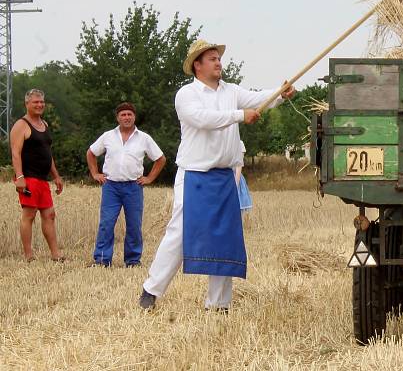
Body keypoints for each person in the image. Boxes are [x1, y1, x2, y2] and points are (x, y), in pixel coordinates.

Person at [139, 39, 295, 311]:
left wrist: (281, 93)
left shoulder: (231, 91)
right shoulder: (186, 95)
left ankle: (219, 304)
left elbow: (259, 99)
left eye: (218, 58)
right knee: (179, 233)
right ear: (197, 65)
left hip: (223, 176)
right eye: (211, 58)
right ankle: (151, 290)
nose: (218, 62)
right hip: (194, 175)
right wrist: (239, 115)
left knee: (224, 237)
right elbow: (203, 119)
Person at [86, 102, 166, 267]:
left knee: (134, 226)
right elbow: (91, 153)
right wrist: (95, 173)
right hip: (111, 187)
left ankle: (132, 260)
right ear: (118, 117)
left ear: (134, 117)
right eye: (123, 114)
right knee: (106, 223)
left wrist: (149, 178)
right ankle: (101, 259)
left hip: (133, 187)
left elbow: (160, 159)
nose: (127, 117)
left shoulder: (144, 138)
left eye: (130, 114)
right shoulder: (108, 136)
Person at [9, 89, 65, 262]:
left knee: (49, 215)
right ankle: (28, 256)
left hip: (43, 179)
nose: (40, 105)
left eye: (42, 102)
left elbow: (48, 153)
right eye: (35, 102)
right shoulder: (21, 125)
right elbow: (16, 153)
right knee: (29, 215)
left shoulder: (45, 124)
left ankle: (56, 255)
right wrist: (19, 178)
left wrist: (56, 176)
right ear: (27, 104)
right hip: (29, 178)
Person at [235, 141, 253, 214]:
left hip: (235, 177)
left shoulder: (239, 143)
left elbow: (239, 165)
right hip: (222, 177)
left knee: (237, 211)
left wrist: (236, 183)